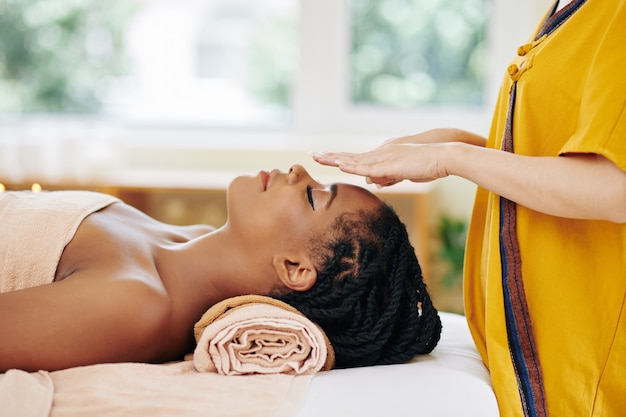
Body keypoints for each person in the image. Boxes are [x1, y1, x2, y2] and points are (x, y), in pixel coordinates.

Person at [311, 0, 626, 415]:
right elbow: (552, 157)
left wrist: (452, 155)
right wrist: (453, 140)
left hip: (584, 366)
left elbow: (613, 188)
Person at [0, 164, 441, 373]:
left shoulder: (137, 303)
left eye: (313, 196)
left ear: (294, 268)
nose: (299, 171)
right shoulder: (182, 239)